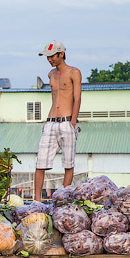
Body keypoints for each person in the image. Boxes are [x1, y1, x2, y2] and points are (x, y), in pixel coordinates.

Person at [34, 40, 81, 201]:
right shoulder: (51, 74)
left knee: (68, 163)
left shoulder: (74, 72)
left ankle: (63, 198)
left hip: (67, 121)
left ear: (61, 54)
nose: (49, 60)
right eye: (47, 57)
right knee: (40, 162)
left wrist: (73, 123)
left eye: (52, 56)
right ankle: (37, 200)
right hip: (51, 121)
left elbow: (77, 98)